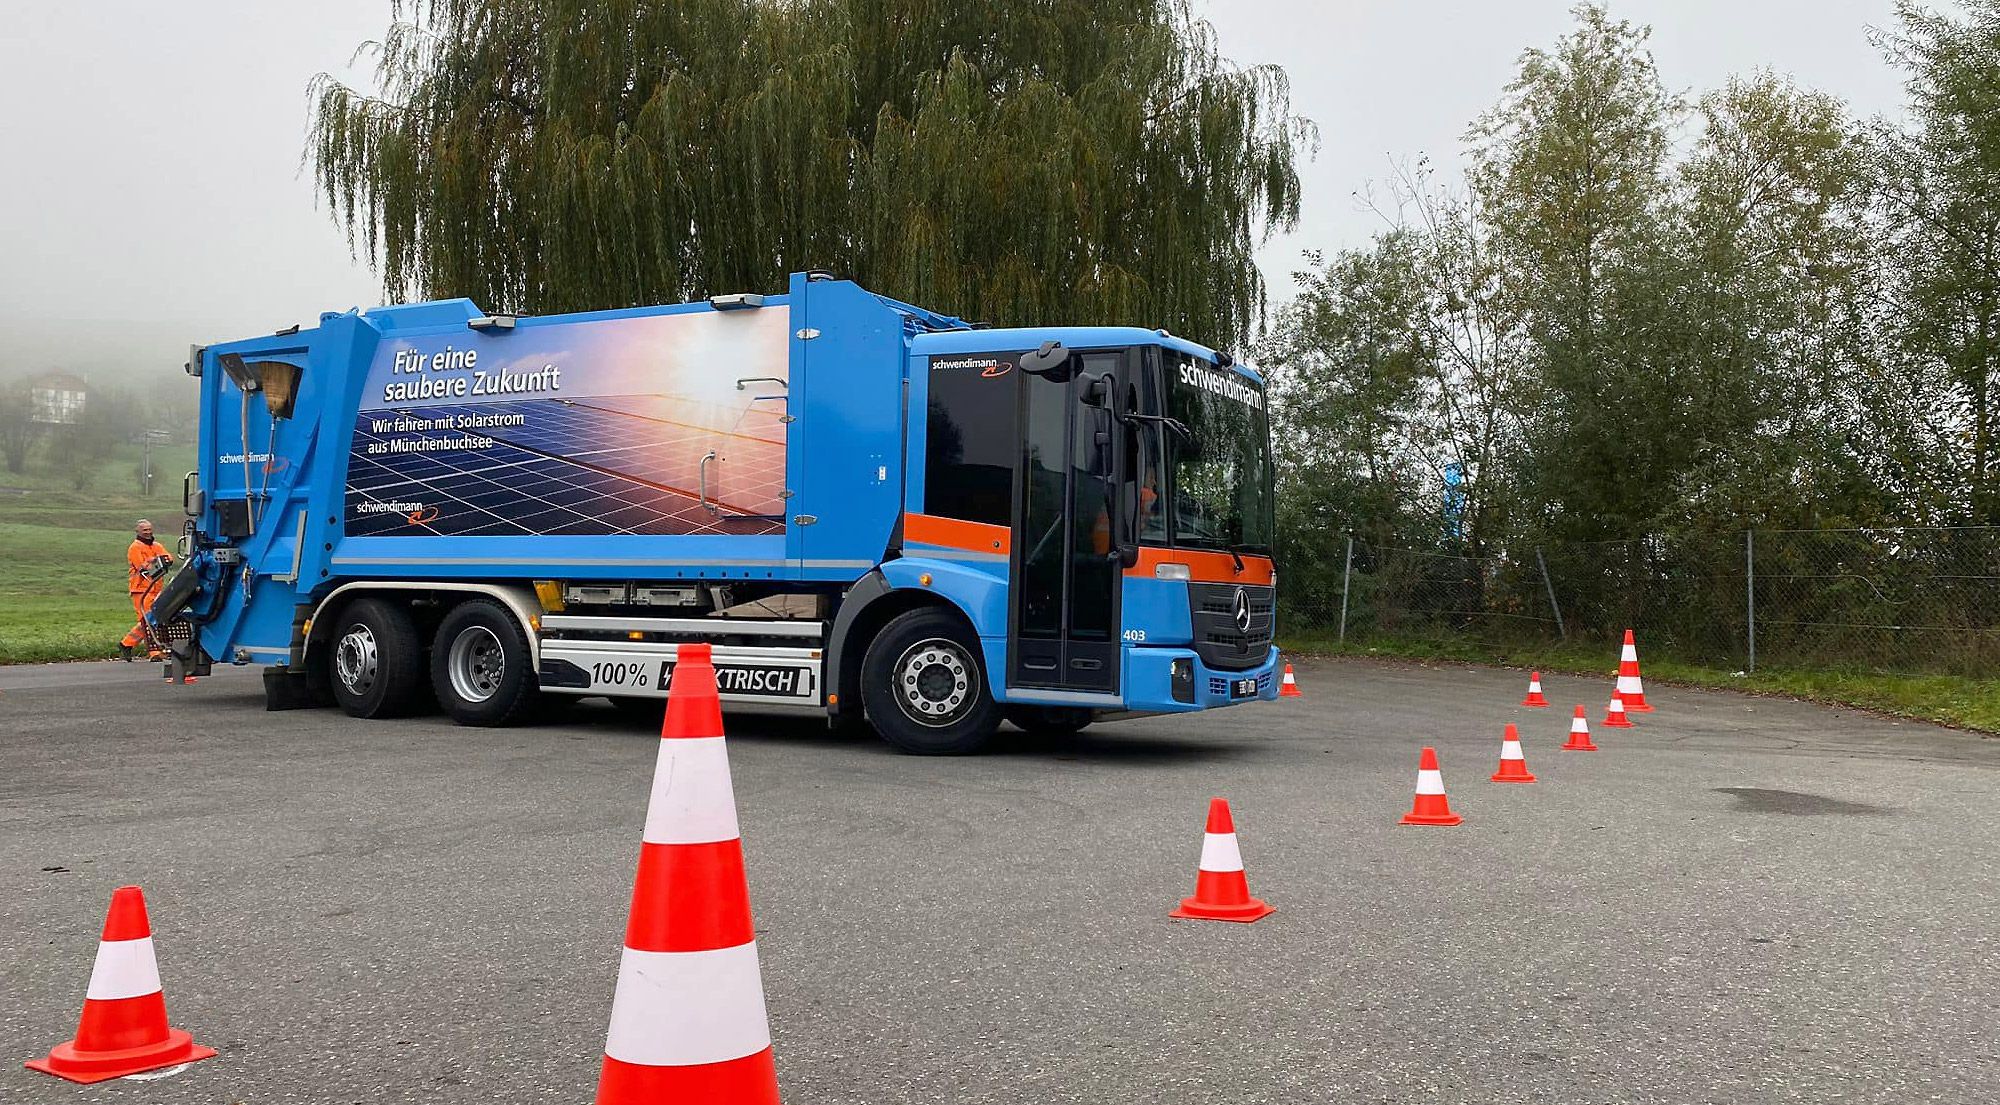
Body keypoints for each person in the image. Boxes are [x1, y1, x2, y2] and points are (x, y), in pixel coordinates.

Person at [119, 520, 174, 662]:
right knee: (148, 620)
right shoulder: (135, 548)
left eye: (149, 529)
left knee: (152, 619)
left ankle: (126, 644)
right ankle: (153, 651)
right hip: (141, 589)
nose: (148, 532)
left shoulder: (157, 545)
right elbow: (143, 567)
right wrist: (157, 560)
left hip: (156, 588)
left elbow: (169, 558)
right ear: (138, 531)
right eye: (145, 530)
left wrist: (155, 560)